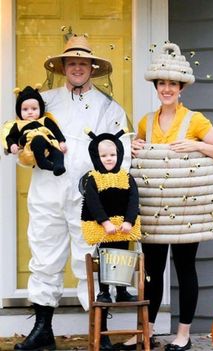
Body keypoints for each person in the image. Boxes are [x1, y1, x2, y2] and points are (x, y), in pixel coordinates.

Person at [113, 42, 213, 351]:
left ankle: (183, 334)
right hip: (153, 209)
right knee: (152, 271)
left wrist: (198, 146)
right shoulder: (145, 121)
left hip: (185, 211)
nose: (167, 89)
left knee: (184, 267)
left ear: (181, 87)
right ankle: (147, 331)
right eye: (162, 83)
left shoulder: (195, 121)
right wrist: (134, 146)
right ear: (157, 86)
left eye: (172, 84)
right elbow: (135, 158)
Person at [14, 34, 131, 351]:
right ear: (63, 66)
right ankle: (42, 330)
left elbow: (123, 151)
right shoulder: (44, 102)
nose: (77, 67)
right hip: (47, 195)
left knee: (90, 262)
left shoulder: (109, 108)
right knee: (44, 259)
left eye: (83, 62)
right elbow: (23, 139)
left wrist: (109, 190)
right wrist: (25, 152)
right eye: (71, 62)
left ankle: (99, 334)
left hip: (88, 201)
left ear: (92, 68)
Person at [80, 130, 141, 349]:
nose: (108, 159)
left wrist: (129, 221)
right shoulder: (93, 179)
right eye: (104, 155)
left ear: (119, 155)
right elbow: (93, 202)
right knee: (106, 258)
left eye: (113, 155)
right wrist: (104, 222)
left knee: (123, 256)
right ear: (97, 157)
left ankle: (122, 289)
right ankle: (105, 291)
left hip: (123, 227)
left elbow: (133, 200)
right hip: (105, 229)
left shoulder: (126, 177)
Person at [4, 85, 67, 176]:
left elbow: (56, 131)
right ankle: (42, 162)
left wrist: (61, 142)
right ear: (19, 111)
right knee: (38, 139)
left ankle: (58, 167)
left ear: (40, 109)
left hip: (48, 143)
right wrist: (12, 145)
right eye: (25, 109)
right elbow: (11, 137)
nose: (30, 112)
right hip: (30, 144)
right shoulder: (19, 124)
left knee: (57, 152)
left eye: (34, 109)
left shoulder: (45, 120)